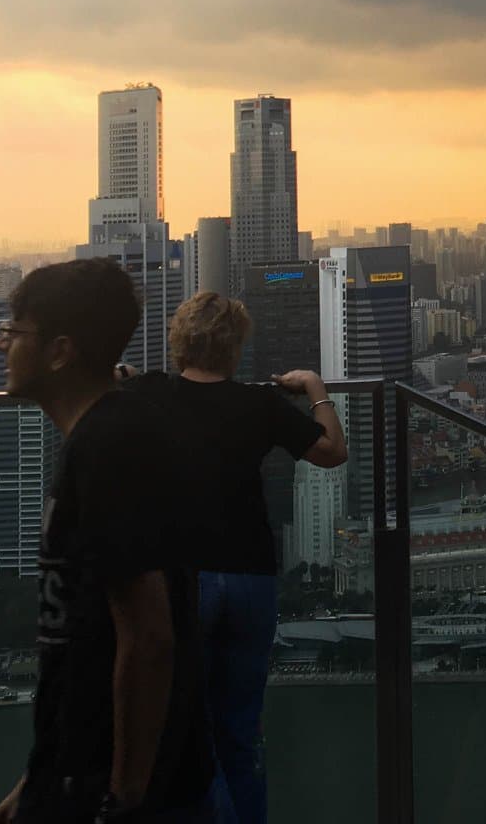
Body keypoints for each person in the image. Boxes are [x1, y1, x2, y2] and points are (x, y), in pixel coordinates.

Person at [0, 259, 213, 824]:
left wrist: (123, 796)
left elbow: (147, 634)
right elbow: (83, 631)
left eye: (13, 333)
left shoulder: (109, 446)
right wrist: (36, 778)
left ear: (60, 352)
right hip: (74, 771)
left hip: (107, 788)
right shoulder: (109, 431)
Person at [122, 292, 347, 824]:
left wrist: (125, 374)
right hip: (250, 578)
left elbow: (101, 398)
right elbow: (332, 452)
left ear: (180, 343)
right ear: (236, 348)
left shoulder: (152, 394)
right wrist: (314, 388)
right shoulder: (258, 404)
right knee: (240, 736)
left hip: (183, 581)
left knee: (185, 735)